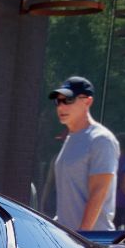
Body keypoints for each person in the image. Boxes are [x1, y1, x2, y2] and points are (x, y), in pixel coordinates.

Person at [49, 76, 116, 231]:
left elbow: (98, 193)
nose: (61, 106)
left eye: (68, 100)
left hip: (92, 243)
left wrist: (82, 239)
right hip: (68, 239)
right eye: (58, 101)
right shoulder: (71, 138)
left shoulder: (101, 139)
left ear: (87, 101)